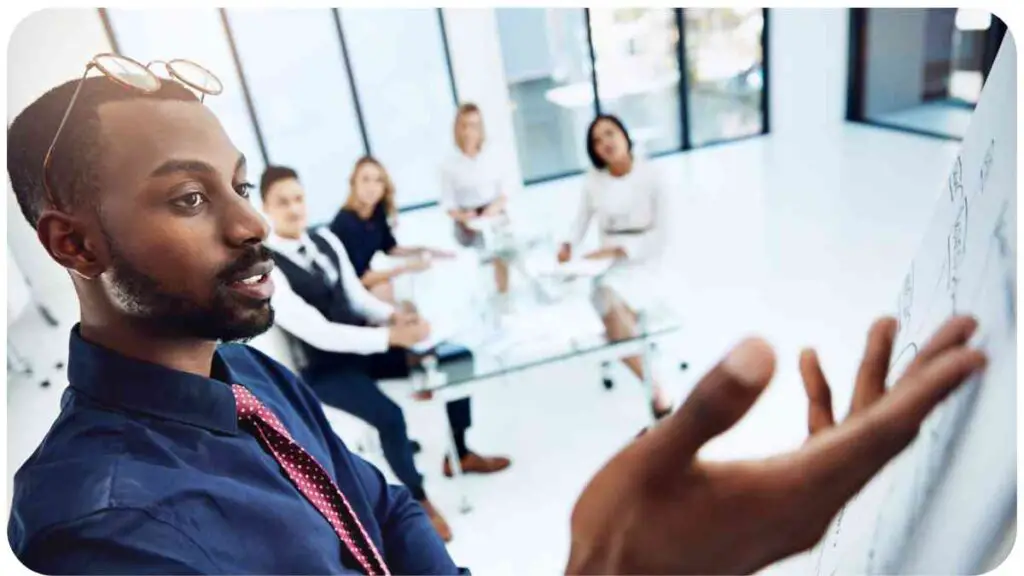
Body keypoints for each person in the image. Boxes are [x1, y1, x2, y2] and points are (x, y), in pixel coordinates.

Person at [7, 54, 986, 576]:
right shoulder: (109, 531)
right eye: (189, 199)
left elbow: (378, 505)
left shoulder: (240, 369)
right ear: (74, 245)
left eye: (239, 183)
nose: (252, 221)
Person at [260, 164, 511, 542]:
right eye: (283, 203)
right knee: (391, 418)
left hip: (365, 348)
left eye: (298, 198)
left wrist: (398, 317)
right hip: (324, 370)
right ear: (266, 207)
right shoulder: (270, 269)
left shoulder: (326, 241)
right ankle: (419, 500)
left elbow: (358, 298)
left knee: (457, 357)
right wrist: (390, 337)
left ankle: (459, 451)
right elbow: (320, 333)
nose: (294, 209)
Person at [559, 114, 674, 420]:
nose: (604, 143)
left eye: (609, 134)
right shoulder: (594, 180)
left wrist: (620, 249)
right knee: (605, 297)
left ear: (624, 135)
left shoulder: (652, 175)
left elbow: (662, 236)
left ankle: (630, 350)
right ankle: (654, 385)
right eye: (597, 140)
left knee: (613, 319)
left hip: (645, 259)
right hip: (607, 264)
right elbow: (580, 220)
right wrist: (568, 244)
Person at [330, 155, 454, 305]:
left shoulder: (376, 212)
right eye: (365, 179)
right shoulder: (346, 222)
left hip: (362, 281)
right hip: (341, 288)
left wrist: (428, 251)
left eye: (378, 180)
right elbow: (360, 278)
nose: (372, 187)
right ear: (353, 184)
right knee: (386, 289)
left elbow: (390, 248)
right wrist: (406, 268)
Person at [441, 103, 512, 294]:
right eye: (464, 125)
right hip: (467, 222)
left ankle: (504, 295)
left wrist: (493, 210)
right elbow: (448, 204)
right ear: (457, 128)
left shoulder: (493, 154)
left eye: (474, 125)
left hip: (494, 214)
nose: (469, 131)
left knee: (502, 254)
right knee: (481, 262)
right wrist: (465, 217)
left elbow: (505, 191)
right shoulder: (449, 164)